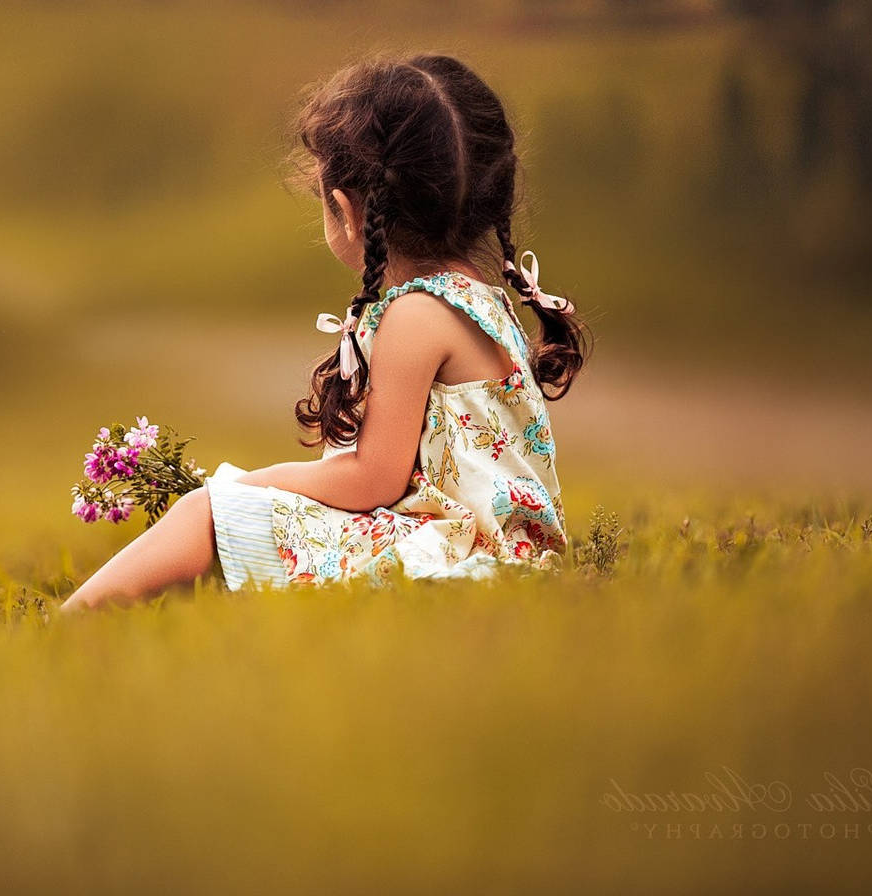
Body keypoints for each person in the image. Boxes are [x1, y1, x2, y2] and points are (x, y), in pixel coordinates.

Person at [62, 53, 589, 609]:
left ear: (345, 209)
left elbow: (376, 480)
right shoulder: (483, 300)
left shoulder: (416, 316)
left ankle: (64, 627)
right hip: (503, 550)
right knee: (243, 523)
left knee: (207, 512)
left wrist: (246, 485)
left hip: (460, 556)